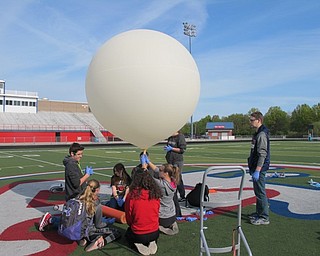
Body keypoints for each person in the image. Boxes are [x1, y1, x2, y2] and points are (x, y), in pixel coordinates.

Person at [39, 143, 104, 233]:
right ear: (72, 154)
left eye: (81, 154)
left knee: (76, 218)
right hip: (75, 195)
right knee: (73, 221)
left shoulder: (73, 163)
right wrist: (87, 175)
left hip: (76, 194)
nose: (81, 156)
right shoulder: (71, 165)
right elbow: (76, 183)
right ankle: (51, 219)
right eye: (79, 154)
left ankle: (92, 224)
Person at [124, 166, 162, 255]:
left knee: (128, 234)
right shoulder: (155, 193)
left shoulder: (132, 195)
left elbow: (129, 217)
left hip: (139, 233)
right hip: (154, 231)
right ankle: (151, 241)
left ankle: (138, 243)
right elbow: (157, 211)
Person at [144, 154, 179, 235]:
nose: (158, 170)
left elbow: (148, 177)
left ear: (166, 173)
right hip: (172, 216)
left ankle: (161, 227)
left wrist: (144, 166)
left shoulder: (162, 185)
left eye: (161, 170)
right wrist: (148, 162)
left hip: (163, 217)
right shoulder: (173, 181)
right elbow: (156, 170)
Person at [247, 111, 270, 225]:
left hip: (259, 168)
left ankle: (264, 217)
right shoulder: (257, 133)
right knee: (258, 192)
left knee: (260, 192)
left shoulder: (261, 135)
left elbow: (262, 154)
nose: (250, 122)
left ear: (259, 120)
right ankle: (259, 212)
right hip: (255, 166)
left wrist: (257, 170)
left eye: (252, 120)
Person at [164, 131, 186, 217]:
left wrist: (172, 149)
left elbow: (182, 149)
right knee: (171, 177)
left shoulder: (180, 137)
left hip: (177, 160)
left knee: (177, 177)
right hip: (170, 159)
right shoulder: (170, 137)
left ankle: (182, 195)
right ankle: (174, 194)